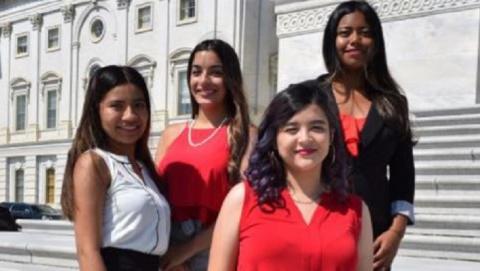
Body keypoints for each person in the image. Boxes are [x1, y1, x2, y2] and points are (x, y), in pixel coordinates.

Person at [209, 81, 373, 271]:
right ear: (274, 138)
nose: (305, 138)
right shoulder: (242, 199)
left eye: (317, 128)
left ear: (331, 136)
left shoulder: (356, 211)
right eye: (291, 129)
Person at [317, 1, 416, 270]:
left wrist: (396, 233)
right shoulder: (309, 96)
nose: (355, 40)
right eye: (345, 32)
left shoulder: (393, 104)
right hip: (315, 229)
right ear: (332, 39)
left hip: (372, 239)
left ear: (376, 41)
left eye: (365, 32)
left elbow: (403, 179)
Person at [155, 39, 255, 270]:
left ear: (230, 78)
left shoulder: (245, 135)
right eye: (196, 72)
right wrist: (170, 254)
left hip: (215, 249)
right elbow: (156, 196)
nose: (203, 81)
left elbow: (245, 209)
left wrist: (186, 250)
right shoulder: (171, 134)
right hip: (166, 249)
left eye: (216, 72)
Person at [61, 65, 170, 271]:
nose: (130, 115)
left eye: (139, 105)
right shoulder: (94, 164)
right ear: (97, 110)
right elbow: (87, 251)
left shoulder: (144, 169)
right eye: (117, 106)